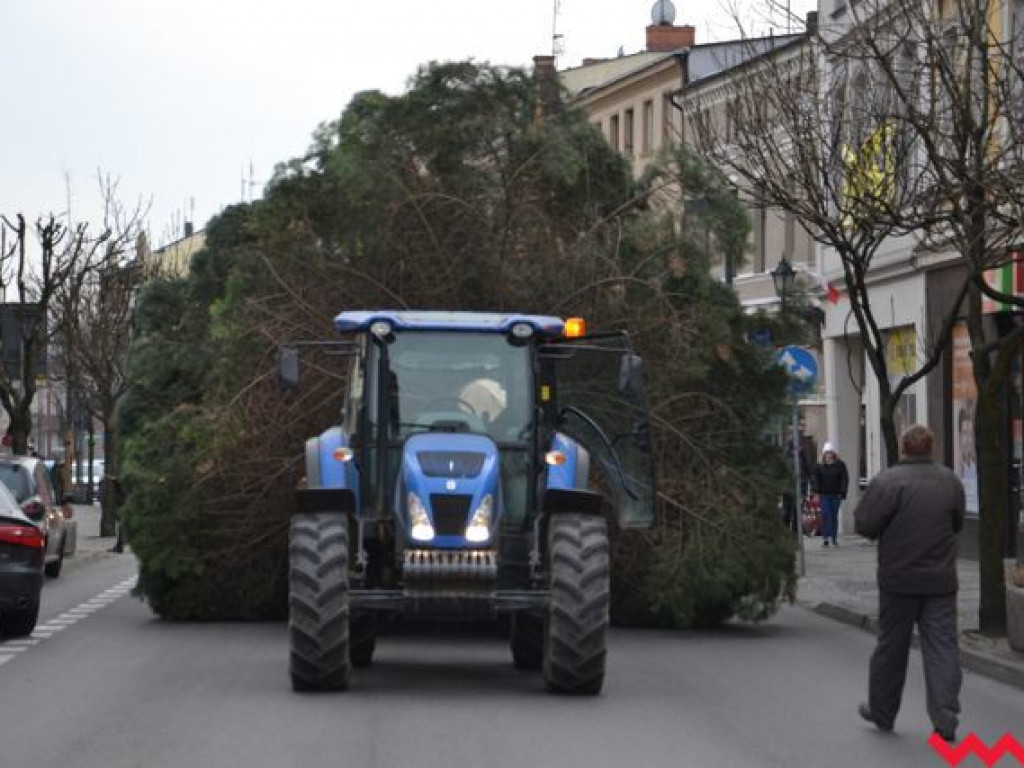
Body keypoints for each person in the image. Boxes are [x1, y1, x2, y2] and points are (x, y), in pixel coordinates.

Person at [854, 425, 965, 743]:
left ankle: (883, 711)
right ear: (931, 448)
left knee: (891, 647)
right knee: (943, 647)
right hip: (940, 581)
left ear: (903, 448)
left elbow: (865, 524)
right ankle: (945, 718)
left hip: (898, 580)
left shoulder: (888, 481)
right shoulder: (949, 481)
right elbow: (957, 524)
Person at [812, 442, 848, 546]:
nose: (829, 455)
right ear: (824, 454)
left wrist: (842, 492)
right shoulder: (819, 466)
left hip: (836, 495)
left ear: (834, 454)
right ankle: (825, 538)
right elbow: (815, 479)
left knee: (833, 515)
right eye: (827, 453)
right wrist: (816, 491)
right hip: (824, 495)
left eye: (830, 453)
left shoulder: (840, 465)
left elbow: (844, 479)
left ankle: (834, 537)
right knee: (825, 515)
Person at [781, 437, 811, 533]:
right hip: (787, 489)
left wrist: (809, 488)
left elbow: (808, 472)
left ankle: (795, 535)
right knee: (787, 512)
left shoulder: (802, 458)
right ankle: (785, 533)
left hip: (799, 489)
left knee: (797, 513)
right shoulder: (786, 458)